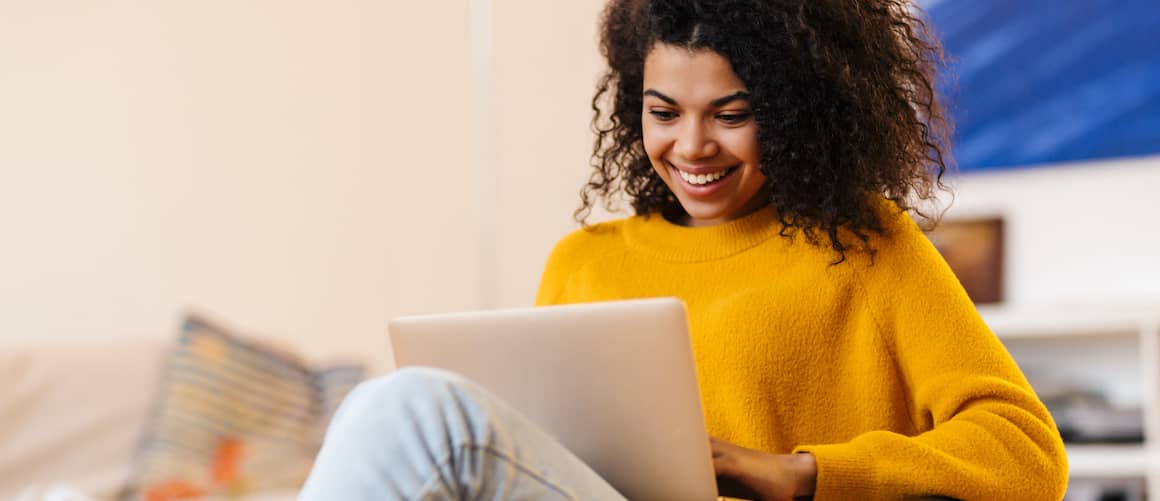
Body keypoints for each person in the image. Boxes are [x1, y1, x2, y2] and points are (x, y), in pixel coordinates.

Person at [299, 0, 1069, 500]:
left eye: (730, 114)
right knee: (406, 418)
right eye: (663, 111)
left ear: (797, 113)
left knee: (409, 409)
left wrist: (804, 471)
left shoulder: (866, 247)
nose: (692, 144)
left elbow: (1028, 451)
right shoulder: (583, 260)